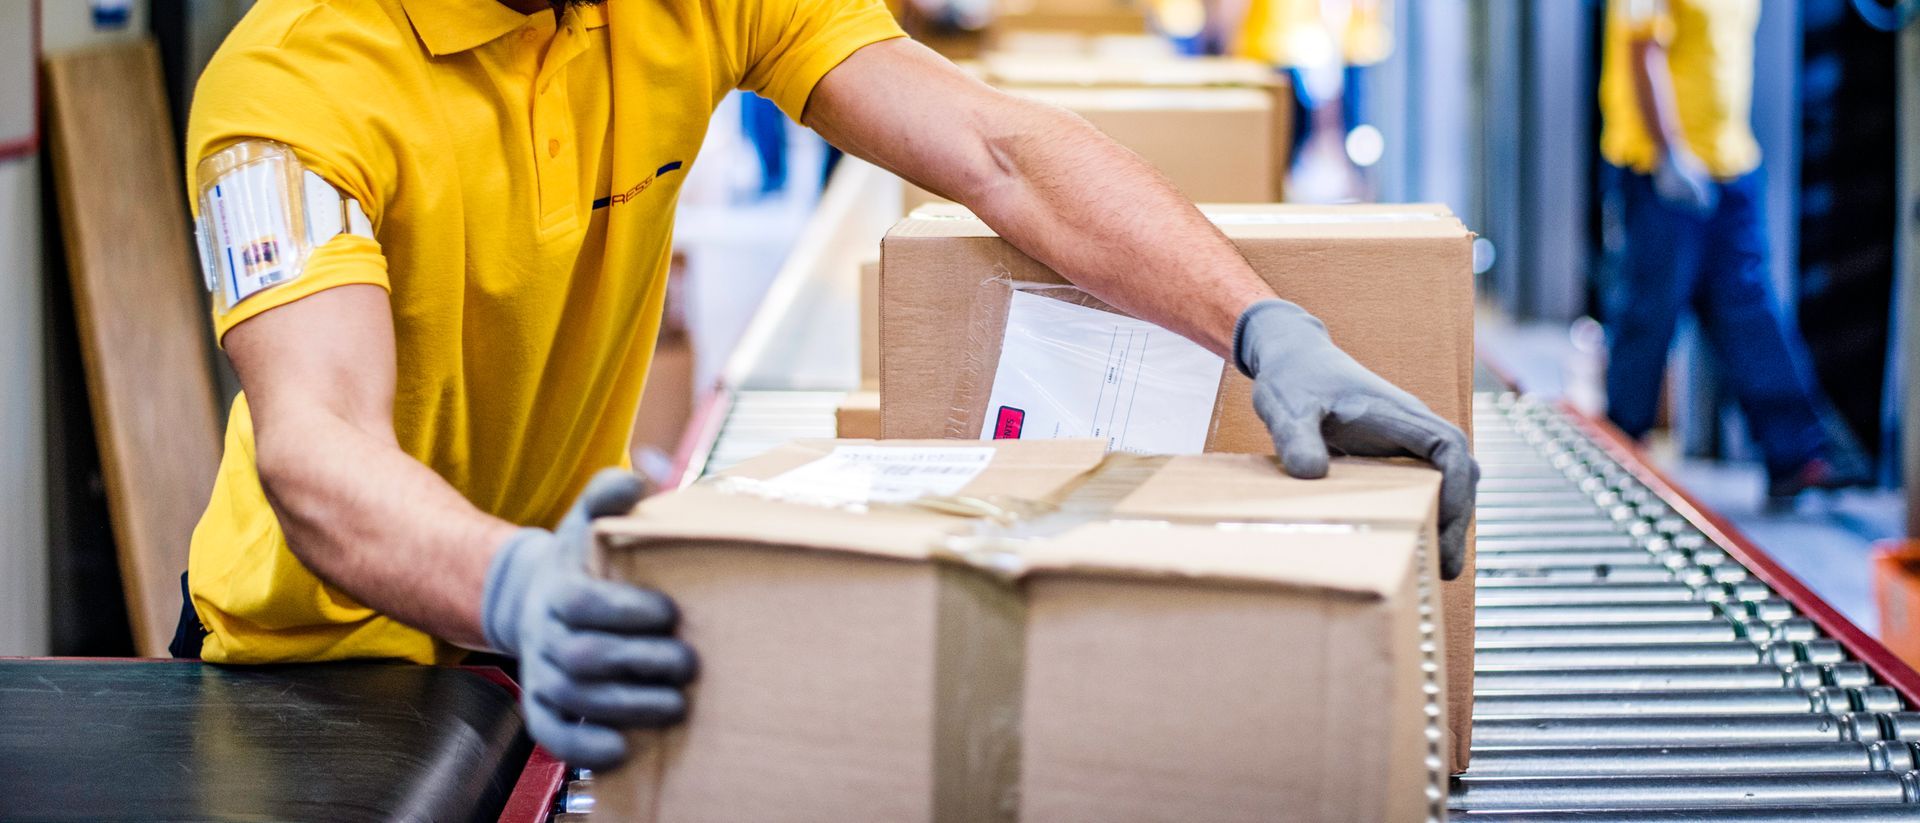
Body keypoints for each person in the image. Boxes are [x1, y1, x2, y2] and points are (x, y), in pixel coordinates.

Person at [180, 0, 1475, 769]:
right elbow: (315, 444)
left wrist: (1259, 324)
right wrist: (515, 586)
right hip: (315, 676)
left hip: (556, 623)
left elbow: (997, 148)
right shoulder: (287, 90)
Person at [1598, 0, 1857, 499]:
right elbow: (1641, 51)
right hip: (1663, 171)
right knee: (1650, 315)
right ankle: (1618, 455)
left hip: (1730, 163)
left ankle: (1794, 455)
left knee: (1749, 309)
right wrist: (1669, 153)